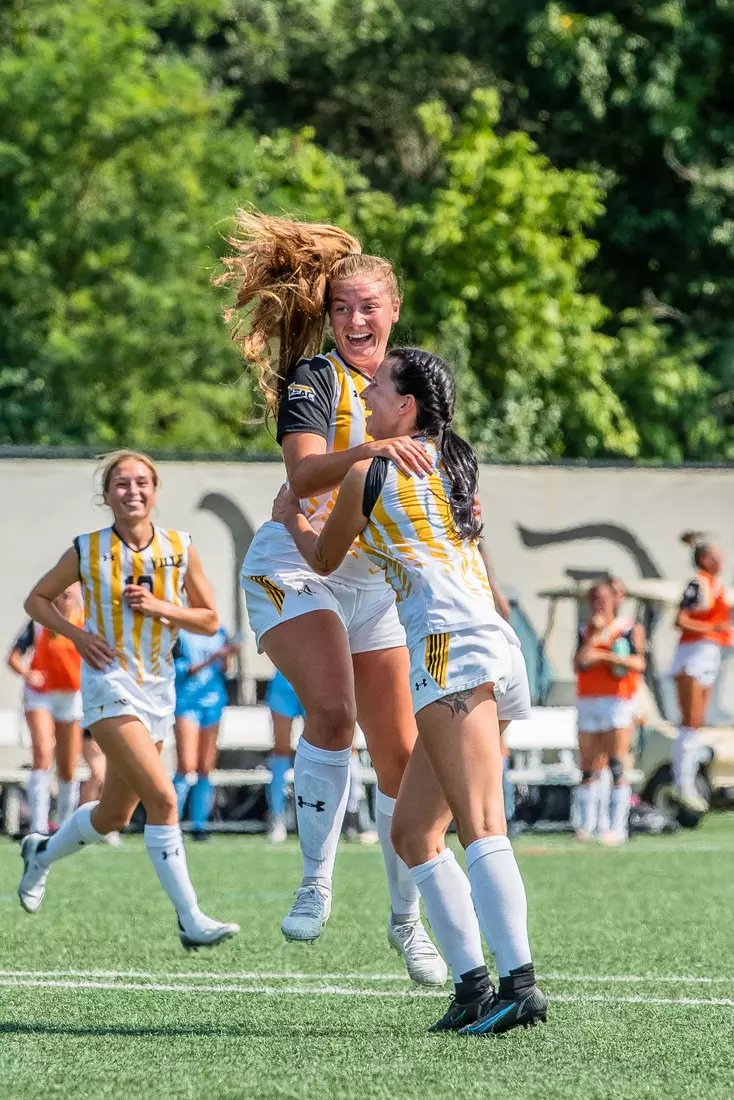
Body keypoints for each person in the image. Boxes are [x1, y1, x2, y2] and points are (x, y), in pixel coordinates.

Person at [274, 345, 547, 1037]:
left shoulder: (371, 466)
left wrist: (291, 519)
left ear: (407, 406)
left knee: (481, 823)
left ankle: (520, 984)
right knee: (412, 832)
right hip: (487, 643)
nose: (365, 395)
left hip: (448, 645)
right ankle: (473, 987)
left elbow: (327, 558)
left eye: (379, 387)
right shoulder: (452, 456)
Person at [218, 213, 445, 985]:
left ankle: (406, 924)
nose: (354, 320)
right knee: (334, 714)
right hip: (297, 565)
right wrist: (368, 451)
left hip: (372, 578)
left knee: (403, 756)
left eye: (368, 307)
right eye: (342, 307)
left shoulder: (415, 383)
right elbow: (306, 477)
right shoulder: (314, 379)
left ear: (394, 311)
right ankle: (315, 880)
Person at [17, 450, 239, 950]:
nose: (132, 490)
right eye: (121, 483)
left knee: (114, 815)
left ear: (155, 491)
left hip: (159, 688)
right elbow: (36, 599)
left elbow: (209, 620)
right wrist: (75, 635)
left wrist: (162, 607)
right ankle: (190, 919)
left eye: (142, 482)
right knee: (162, 799)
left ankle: (41, 854)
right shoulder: (87, 548)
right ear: (107, 495)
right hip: (108, 685)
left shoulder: (180, 547)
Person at [7, 586, 84, 834]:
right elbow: (14, 657)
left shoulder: (88, 621)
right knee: (42, 752)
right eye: (61, 593)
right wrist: (28, 673)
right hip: (41, 696)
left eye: (70, 593)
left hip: (71, 696)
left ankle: (64, 824)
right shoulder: (39, 622)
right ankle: (38, 826)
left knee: (68, 765)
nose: (65, 597)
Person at [574, 581, 646, 845]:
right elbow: (579, 662)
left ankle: (617, 827)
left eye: (603, 597)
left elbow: (638, 662)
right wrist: (594, 637)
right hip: (588, 699)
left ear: (615, 600)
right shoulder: (586, 630)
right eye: (593, 598)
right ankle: (588, 825)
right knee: (589, 766)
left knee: (616, 764)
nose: (598, 603)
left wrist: (605, 658)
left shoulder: (628, 628)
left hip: (617, 699)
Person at [671, 539, 731, 811]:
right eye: (716, 555)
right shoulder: (698, 584)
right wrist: (711, 628)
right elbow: (681, 620)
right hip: (693, 653)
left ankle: (689, 779)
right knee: (690, 721)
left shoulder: (718, 587)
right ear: (705, 559)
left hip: (710, 653)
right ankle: (681, 781)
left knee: (698, 722)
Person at [172, 627, 238, 840]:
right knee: (186, 765)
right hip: (186, 702)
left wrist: (228, 656)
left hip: (213, 702)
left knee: (205, 767)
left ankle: (199, 825)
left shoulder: (219, 631)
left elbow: (225, 670)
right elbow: (182, 671)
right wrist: (213, 658)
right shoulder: (179, 633)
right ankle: (171, 822)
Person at [264, 669, 303, 843]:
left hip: (316, 682)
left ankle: (319, 815)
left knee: (319, 750)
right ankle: (276, 815)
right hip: (284, 684)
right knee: (281, 751)